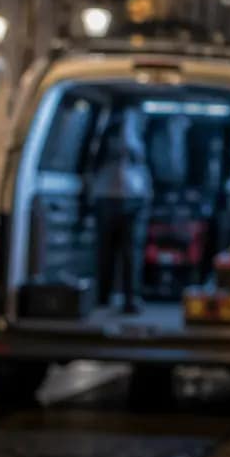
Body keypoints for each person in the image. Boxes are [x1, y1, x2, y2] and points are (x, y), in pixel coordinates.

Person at [90, 109, 153, 314]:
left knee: (114, 250)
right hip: (126, 195)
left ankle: (107, 297)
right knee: (127, 251)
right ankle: (126, 298)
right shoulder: (126, 133)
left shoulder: (106, 129)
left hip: (113, 195)